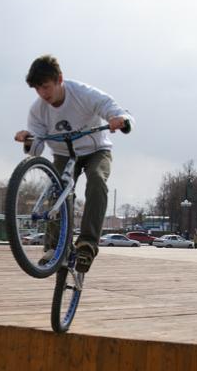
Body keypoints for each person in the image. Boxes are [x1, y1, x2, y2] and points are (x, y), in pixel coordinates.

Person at [14, 54, 134, 272]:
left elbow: (110, 107)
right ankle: (54, 248)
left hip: (96, 150)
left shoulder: (82, 93)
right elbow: (36, 149)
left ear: (59, 79)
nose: (43, 94)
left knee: (97, 180)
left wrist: (119, 119)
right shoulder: (38, 110)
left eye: (46, 87)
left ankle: (87, 244)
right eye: (37, 89)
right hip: (63, 155)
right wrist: (28, 140)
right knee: (58, 190)